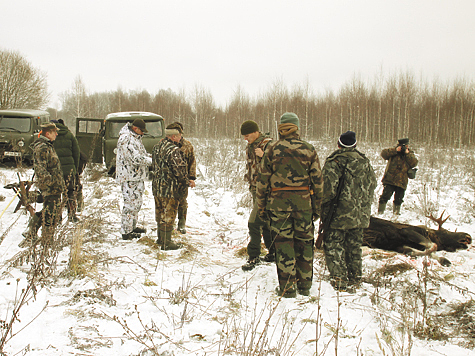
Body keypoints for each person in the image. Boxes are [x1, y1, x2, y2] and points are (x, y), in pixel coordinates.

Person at [256, 112, 323, 298]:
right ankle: (305, 286)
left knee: (284, 244)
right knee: (305, 243)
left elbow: (262, 181)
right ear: (297, 127)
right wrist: (317, 208)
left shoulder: (271, 149)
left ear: (281, 128)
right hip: (304, 206)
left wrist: (261, 207)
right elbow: (318, 182)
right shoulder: (309, 149)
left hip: (278, 206)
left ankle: (287, 288)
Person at [320, 131, 376, 292]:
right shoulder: (365, 161)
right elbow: (372, 184)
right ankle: (355, 277)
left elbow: (327, 191)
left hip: (338, 215)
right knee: (354, 246)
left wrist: (321, 208)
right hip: (360, 215)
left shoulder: (335, 162)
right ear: (355, 145)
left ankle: (339, 279)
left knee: (333, 245)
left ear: (339, 144)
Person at [20, 122, 65, 248]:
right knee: (50, 214)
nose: (56, 134)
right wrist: (50, 182)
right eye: (54, 132)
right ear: (48, 133)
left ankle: (32, 232)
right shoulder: (42, 147)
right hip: (50, 188)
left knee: (50, 212)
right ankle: (47, 242)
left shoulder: (48, 145)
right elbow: (40, 169)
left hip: (54, 187)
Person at [240, 120, 275, 271]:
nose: (245, 138)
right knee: (265, 222)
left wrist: (265, 155)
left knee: (254, 223)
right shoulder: (251, 146)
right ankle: (273, 253)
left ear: (255, 132)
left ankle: (253, 256)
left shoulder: (269, 145)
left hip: (267, 191)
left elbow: (279, 165)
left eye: (247, 135)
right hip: (256, 189)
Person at [152, 125, 189, 250]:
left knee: (160, 212)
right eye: (179, 136)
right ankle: (166, 242)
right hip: (170, 188)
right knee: (169, 214)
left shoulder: (156, 147)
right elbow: (179, 170)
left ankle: (160, 238)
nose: (180, 138)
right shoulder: (173, 150)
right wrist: (185, 182)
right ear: (173, 137)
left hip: (157, 187)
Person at [116, 119, 152, 240]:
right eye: (141, 131)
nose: (142, 133)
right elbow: (134, 158)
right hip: (129, 177)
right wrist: (153, 162)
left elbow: (142, 154)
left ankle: (132, 226)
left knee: (136, 203)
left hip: (136, 176)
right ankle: (126, 232)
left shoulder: (135, 139)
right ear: (135, 128)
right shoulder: (126, 139)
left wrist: (151, 157)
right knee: (130, 204)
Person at [166, 122, 196, 234]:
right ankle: (169, 223)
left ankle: (181, 223)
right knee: (169, 201)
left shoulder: (187, 145)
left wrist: (191, 177)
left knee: (182, 202)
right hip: (168, 179)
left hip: (182, 179)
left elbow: (192, 162)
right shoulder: (165, 144)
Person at [378, 138, 418, 215]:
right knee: (384, 197)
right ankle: (380, 213)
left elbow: (414, 163)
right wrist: (396, 150)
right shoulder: (393, 152)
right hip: (390, 179)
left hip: (402, 181)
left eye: (406, 145)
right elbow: (383, 154)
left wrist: (407, 154)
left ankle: (396, 214)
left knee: (399, 200)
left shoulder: (410, 154)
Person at [50, 119, 80, 222]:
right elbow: (76, 153)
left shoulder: (51, 136)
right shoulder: (69, 135)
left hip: (55, 170)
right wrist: (74, 169)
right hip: (69, 170)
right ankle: (72, 215)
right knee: (70, 192)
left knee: (56, 194)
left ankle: (57, 218)